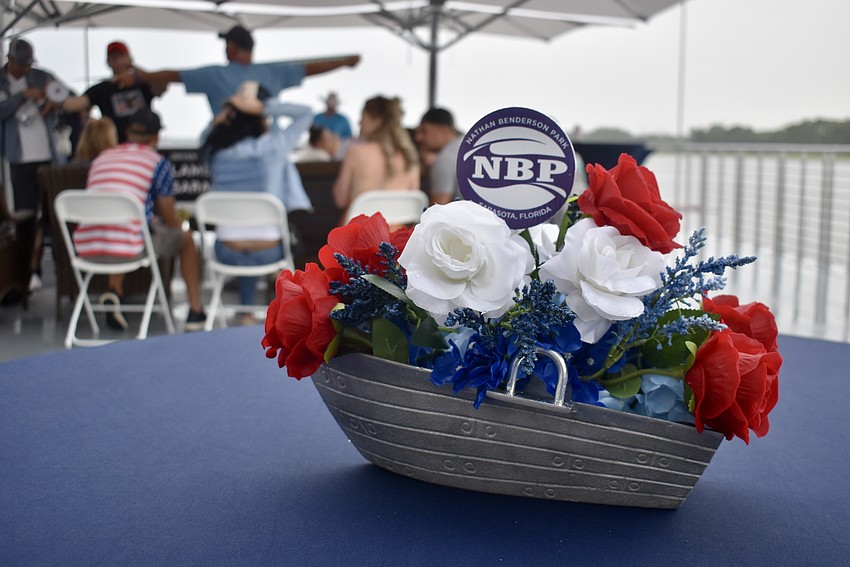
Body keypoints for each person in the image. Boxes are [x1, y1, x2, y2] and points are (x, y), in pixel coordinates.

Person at [71, 108, 206, 331]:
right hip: (129, 248)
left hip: (87, 246)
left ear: (127, 132)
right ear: (156, 137)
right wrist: (177, 225)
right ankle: (196, 311)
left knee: (121, 227)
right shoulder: (157, 162)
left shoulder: (102, 157)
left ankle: (114, 292)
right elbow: (169, 214)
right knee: (187, 240)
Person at [200, 81, 313, 322]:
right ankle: (269, 307)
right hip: (269, 251)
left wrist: (221, 117)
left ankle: (247, 311)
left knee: (241, 236)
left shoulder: (215, 152)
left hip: (226, 251)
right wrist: (264, 107)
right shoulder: (273, 147)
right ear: (261, 118)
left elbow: (204, 138)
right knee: (260, 237)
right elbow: (306, 113)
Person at [122, 25, 360, 114]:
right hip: (265, 148)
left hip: (227, 145)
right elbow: (312, 69)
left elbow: (173, 75)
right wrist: (344, 62)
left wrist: (139, 76)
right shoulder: (275, 72)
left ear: (232, 48)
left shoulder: (215, 74)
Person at [0, 37, 67, 288]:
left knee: (54, 214)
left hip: (49, 157)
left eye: (29, 64)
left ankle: (61, 270)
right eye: (21, 64)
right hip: (19, 159)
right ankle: (27, 273)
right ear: (9, 59)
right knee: (26, 217)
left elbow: (67, 96)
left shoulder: (42, 76)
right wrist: (23, 96)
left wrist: (54, 99)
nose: (26, 68)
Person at [332, 95, 420, 215]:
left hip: (361, 226)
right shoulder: (410, 156)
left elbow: (340, 200)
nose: (359, 122)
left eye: (363, 117)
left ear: (377, 121)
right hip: (400, 227)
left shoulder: (355, 153)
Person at [63, 41, 167, 143]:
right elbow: (77, 104)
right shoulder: (102, 88)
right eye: (113, 57)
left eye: (121, 56)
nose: (118, 61)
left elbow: (161, 85)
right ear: (108, 62)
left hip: (143, 142)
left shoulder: (143, 83)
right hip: (113, 144)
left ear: (129, 57)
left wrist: (134, 67)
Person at [414, 107, 462, 205]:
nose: (418, 137)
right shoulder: (467, 148)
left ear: (444, 130)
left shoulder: (444, 159)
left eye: (424, 131)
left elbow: (439, 207)